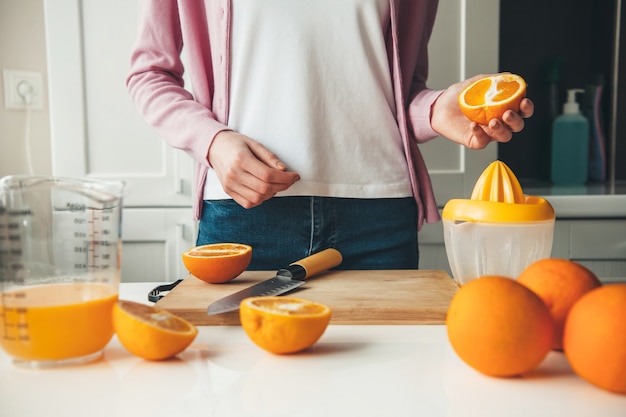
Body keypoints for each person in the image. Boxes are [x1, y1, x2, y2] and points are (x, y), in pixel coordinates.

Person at [126, 0, 534, 270]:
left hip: (378, 217)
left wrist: (435, 109)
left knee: (385, 394)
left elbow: (392, 91)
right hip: (244, 216)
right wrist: (212, 142)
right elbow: (149, 73)